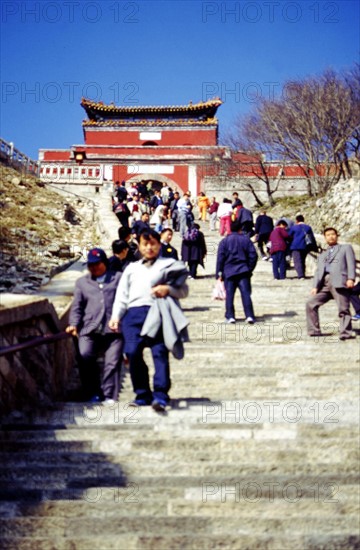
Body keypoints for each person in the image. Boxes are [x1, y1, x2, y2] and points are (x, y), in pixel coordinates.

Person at [109, 229, 189, 412]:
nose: (150, 247)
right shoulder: (131, 268)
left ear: (159, 244)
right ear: (140, 246)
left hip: (158, 313)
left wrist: (167, 289)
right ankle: (142, 393)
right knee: (132, 352)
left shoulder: (169, 264)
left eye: (153, 243)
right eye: (145, 244)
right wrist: (116, 316)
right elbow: (122, 295)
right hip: (133, 315)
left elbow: (184, 291)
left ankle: (160, 395)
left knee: (159, 353)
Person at [66, 248, 123, 403]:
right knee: (84, 355)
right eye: (91, 264)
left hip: (114, 328)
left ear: (104, 263)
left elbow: (125, 301)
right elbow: (77, 306)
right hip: (89, 327)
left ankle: (109, 395)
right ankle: (93, 392)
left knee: (112, 362)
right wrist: (73, 324)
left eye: (97, 264)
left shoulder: (118, 278)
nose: (94, 267)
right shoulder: (82, 283)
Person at [306, 227, 356, 340]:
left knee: (343, 308)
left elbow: (351, 263)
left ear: (337, 235)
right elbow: (318, 271)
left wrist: (351, 278)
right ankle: (314, 330)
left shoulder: (345, 248)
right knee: (310, 303)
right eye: (328, 235)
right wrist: (315, 286)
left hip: (339, 281)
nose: (331, 237)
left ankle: (345, 332)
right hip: (325, 284)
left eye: (333, 234)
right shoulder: (323, 254)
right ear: (325, 238)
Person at [216, 219, 258, 324]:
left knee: (229, 295)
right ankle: (249, 316)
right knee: (246, 294)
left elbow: (220, 258)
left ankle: (230, 316)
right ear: (240, 229)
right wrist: (249, 268)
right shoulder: (246, 240)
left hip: (229, 271)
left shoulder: (224, 241)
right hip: (243, 271)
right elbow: (253, 255)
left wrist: (219, 273)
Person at [288, 215, 317, 279]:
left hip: (295, 246)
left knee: (297, 261)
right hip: (305, 246)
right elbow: (312, 237)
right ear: (303, 220)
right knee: (302, 260)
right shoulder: (308, 227)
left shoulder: (294, 228)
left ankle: (301, 275)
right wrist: (315, 247)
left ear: (297, 220)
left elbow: (288, 236)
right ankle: (303, 273)